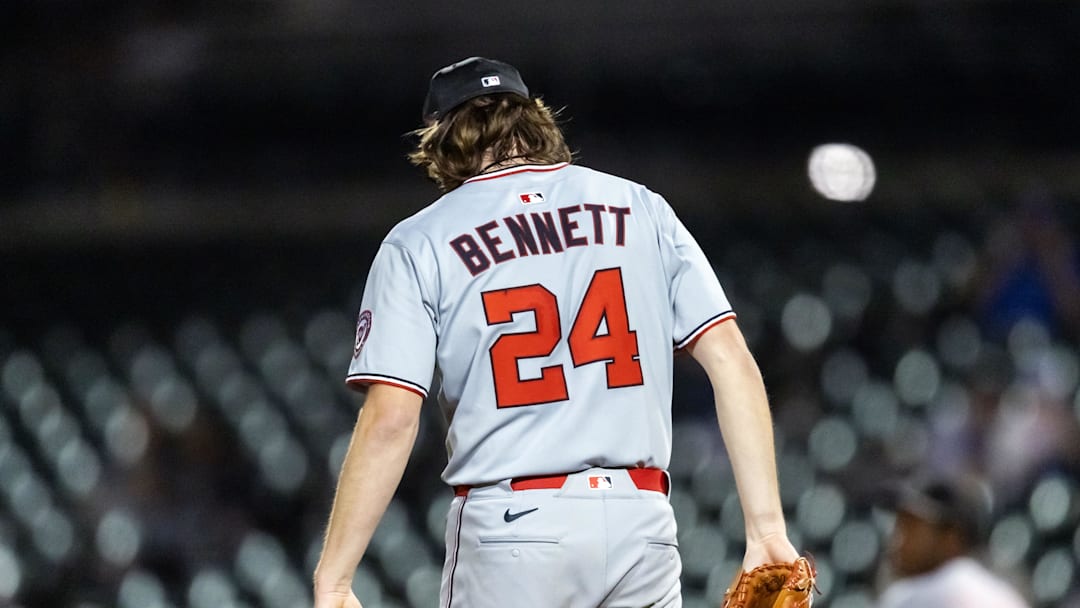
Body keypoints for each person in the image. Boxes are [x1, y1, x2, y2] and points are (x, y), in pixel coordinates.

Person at [312, 56, 799, 608]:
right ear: (534, 118)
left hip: (513, 527)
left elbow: (392, 418)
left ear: (442, 137)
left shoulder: (420, 240)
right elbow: (731, 360)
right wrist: (765, 529)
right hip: (642, 521)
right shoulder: (640, 207)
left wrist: (335, 578)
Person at [877, 474, 1029, 608]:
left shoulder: (914, 597)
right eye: (899, 526)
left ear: (951, 537)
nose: (898, 539)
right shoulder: (1002, 593)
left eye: (911, 527)